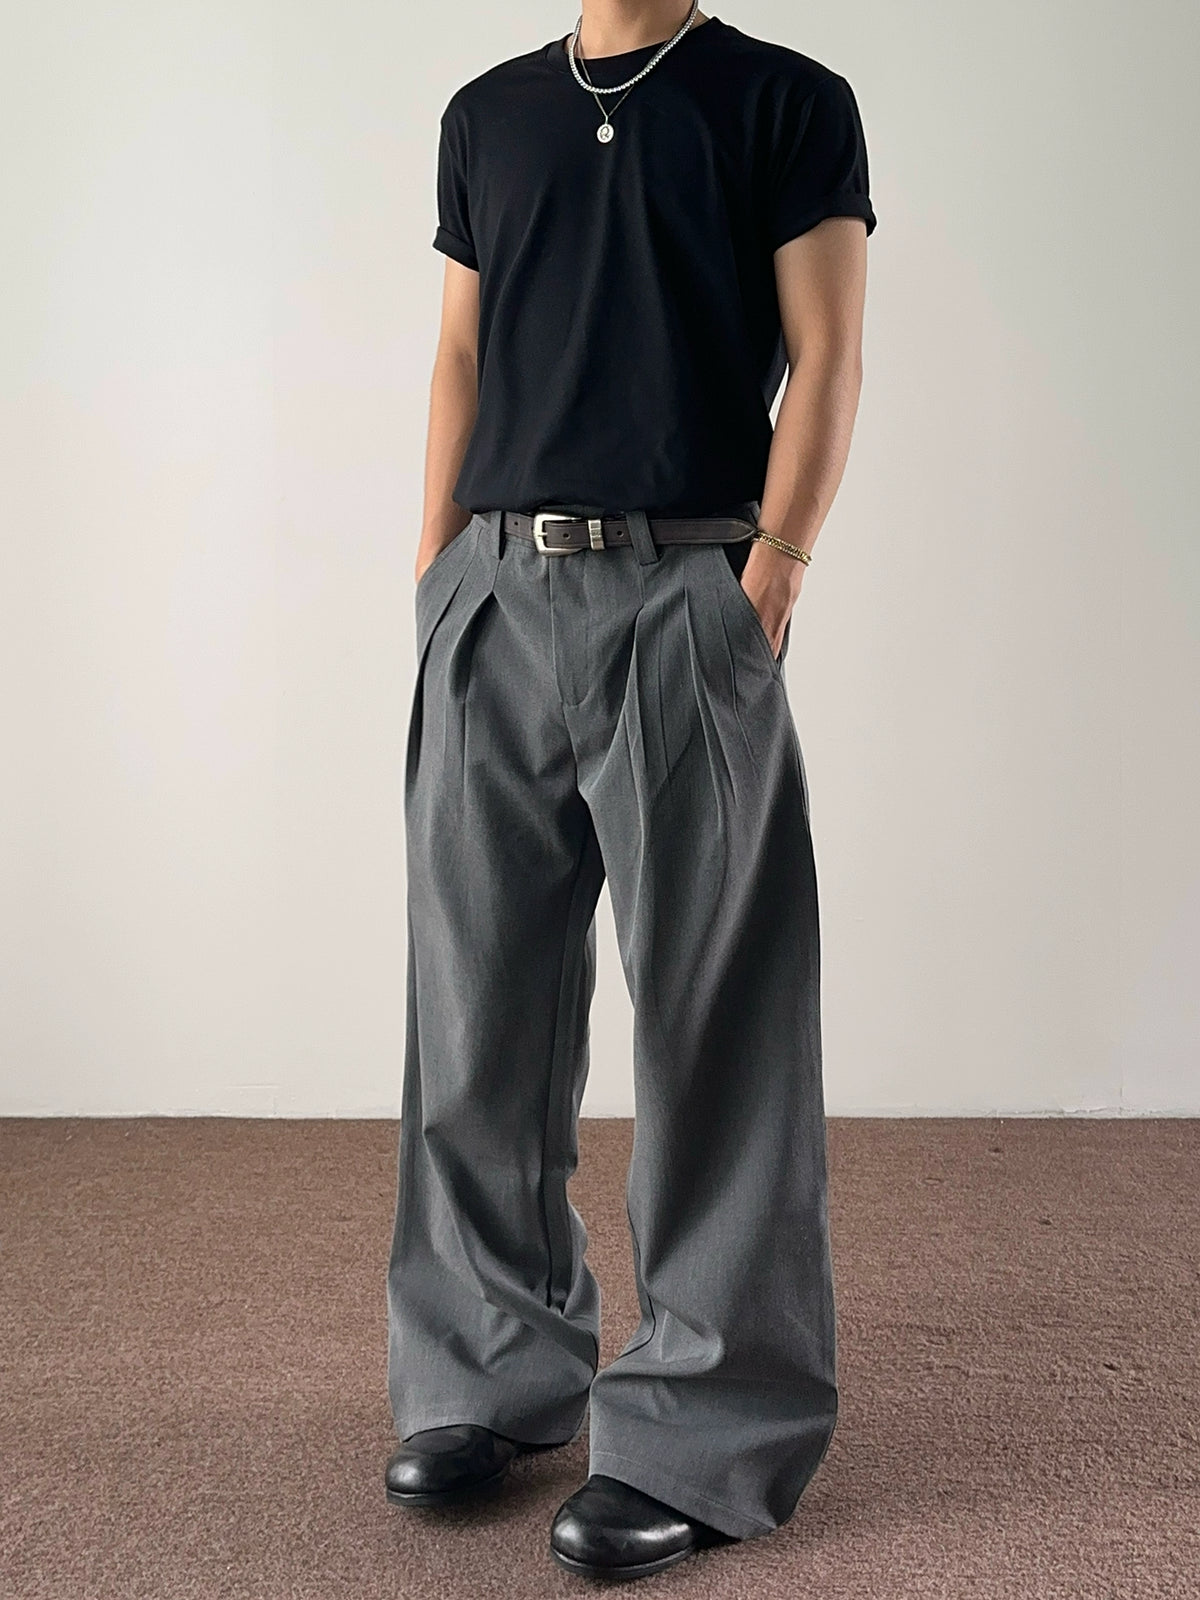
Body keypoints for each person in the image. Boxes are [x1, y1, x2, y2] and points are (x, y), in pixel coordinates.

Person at [384, 0, 876, 1581]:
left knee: (716, 1020)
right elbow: (461, 356)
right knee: (476, 1008)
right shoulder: (488, 115)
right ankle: (488, 1372)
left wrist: (771, 576)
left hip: (687, 591)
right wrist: (436, 583)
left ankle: (707, 1429)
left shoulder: (787, 102)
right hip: (495, 595)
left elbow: (829, 352)